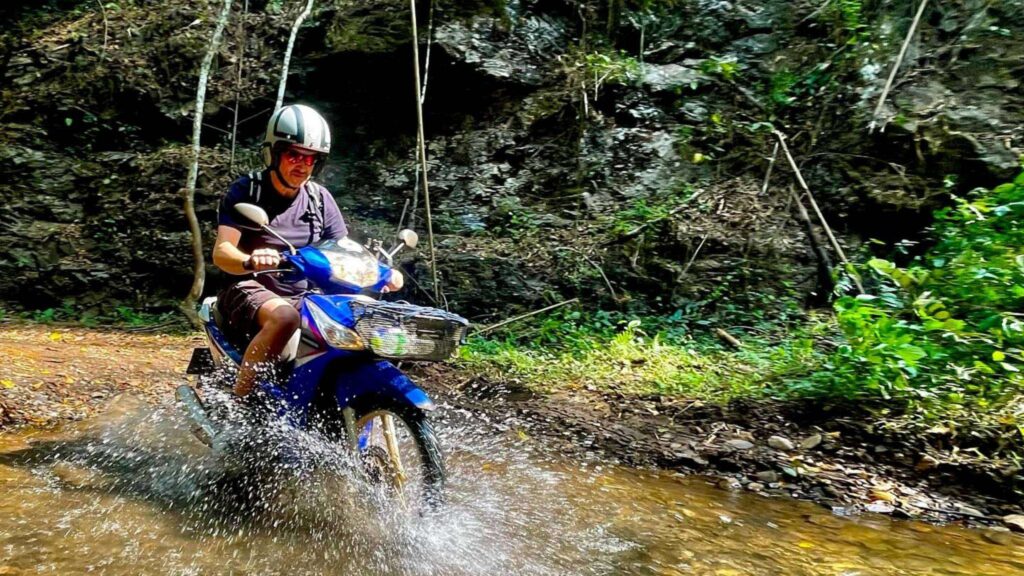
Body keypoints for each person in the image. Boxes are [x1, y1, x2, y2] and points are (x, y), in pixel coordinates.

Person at [213, 103, 403, 400]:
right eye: (294, 155)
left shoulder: (319, 199)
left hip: (307, 294)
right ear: (274, 153)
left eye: (311, 158)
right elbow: (223, 251)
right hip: (248, 286)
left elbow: (344, 251)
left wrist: (383, 272)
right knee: (285, 318)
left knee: (362, 314)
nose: (302, 164)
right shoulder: (248, 190)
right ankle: (238, 404)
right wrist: (251, 259)